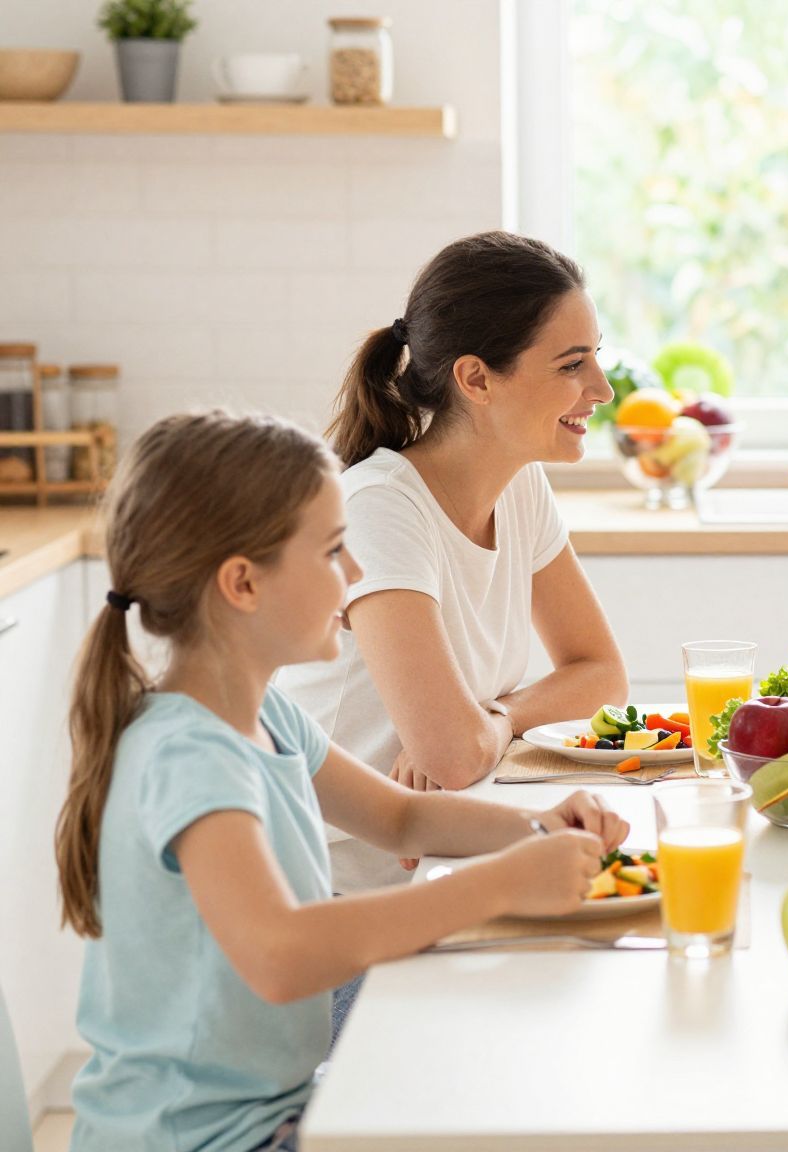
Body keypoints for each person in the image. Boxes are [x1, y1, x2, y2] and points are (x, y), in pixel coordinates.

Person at [57, 411, 624, 1152]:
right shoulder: (189, 755)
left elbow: (404, 821)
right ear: (242, 584)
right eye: (333, 551)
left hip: (267, 1116)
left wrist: (544, 827)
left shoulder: (266, 720)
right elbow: (280, 953)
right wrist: (499, 885)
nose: (357, 574)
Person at [276, 230, 628, 893]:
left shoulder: (520, 486)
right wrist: (477, 732)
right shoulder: (381, 508)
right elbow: (453, 756)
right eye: (571, 364)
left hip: (445, 865)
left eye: (595, 358)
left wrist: (496, 717)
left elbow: (603, 674)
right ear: (475, 378)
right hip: (344, 900)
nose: (601, 388)